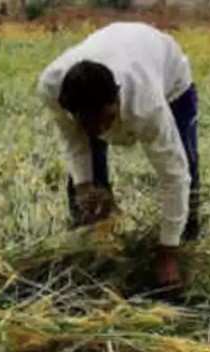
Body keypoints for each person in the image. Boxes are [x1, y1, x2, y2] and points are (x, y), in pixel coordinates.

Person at [37, 22, 200, 292]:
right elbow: (74, 142)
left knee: (186, 165)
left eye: (106, 120)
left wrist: (167, 252)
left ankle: (184, 239)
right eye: (89, 124)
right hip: (113, 53)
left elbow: (173, 175)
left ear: (117, 97)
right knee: (88, 189)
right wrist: (84, 185)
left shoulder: (147, 106)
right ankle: (94, 246)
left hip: (172, 81)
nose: (101, 131)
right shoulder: (52, 89)